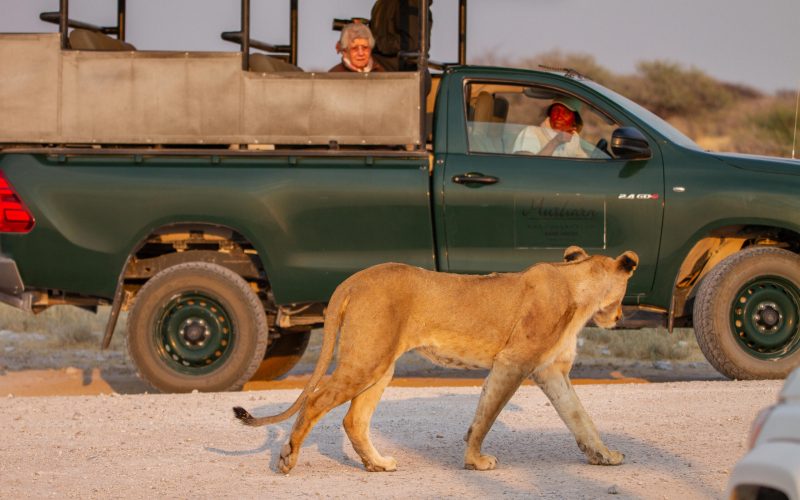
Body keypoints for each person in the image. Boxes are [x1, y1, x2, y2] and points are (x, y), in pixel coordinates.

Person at [512, 96, 590, 158]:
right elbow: (527, 167)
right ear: (550, 113)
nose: (559, 116)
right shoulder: (531, 132)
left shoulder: (574, 138)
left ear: (574, 121)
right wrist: (555, 142)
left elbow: (584, 163)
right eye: (556, 111)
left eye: (566, 113)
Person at [370, 0, 432, 71]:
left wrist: (371, 43)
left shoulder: (410, 3)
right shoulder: (383, 3)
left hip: (397, 72)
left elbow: (411, 45)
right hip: (381, 68)